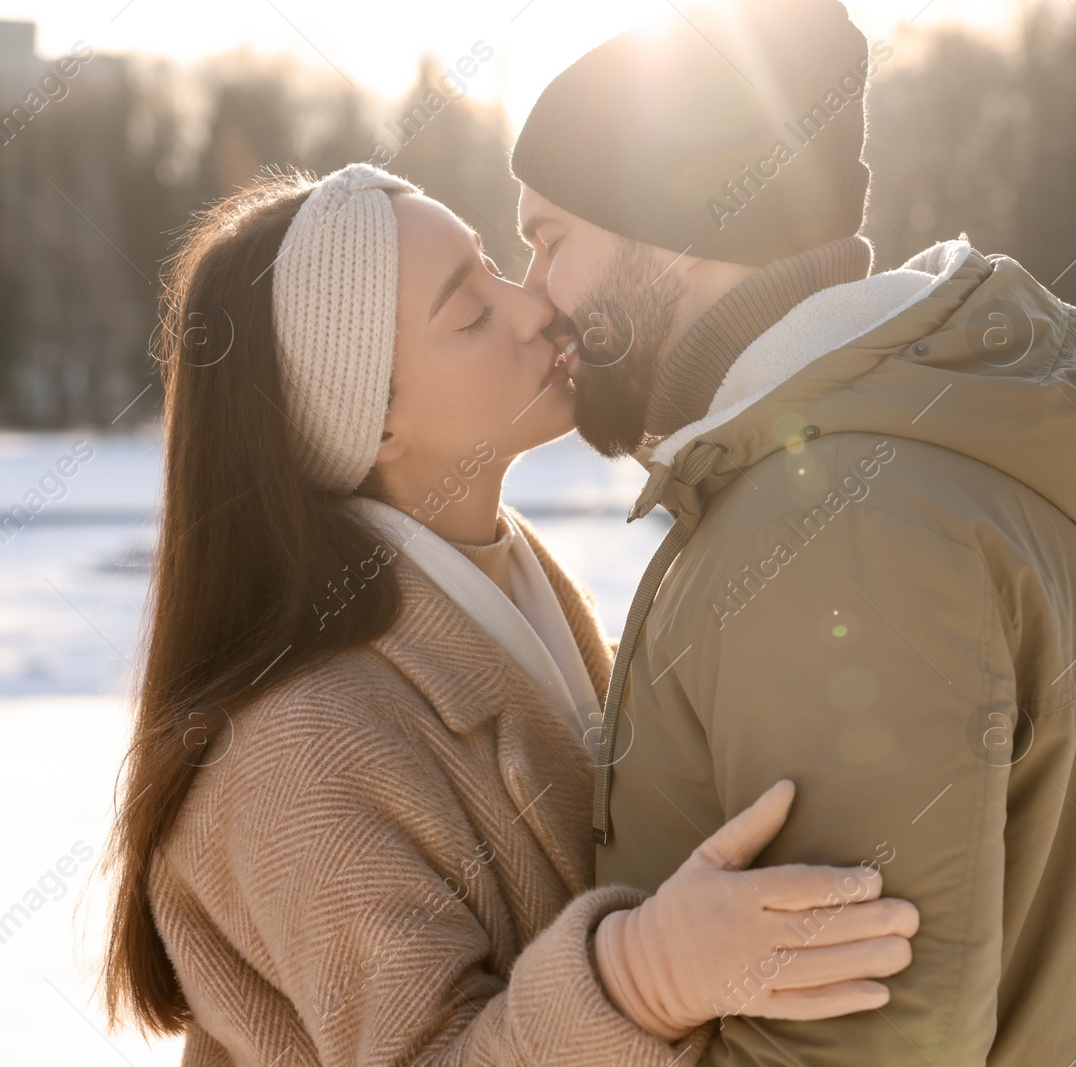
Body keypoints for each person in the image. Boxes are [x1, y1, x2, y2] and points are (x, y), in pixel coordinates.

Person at [101, 163, 920, 1066]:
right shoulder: (296, 750)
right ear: (369, 424)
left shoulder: (523, 592)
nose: (535, 305)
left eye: (495, 264)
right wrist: (641, 978)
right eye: (469, 311)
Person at [510, 0, 1076, 1062]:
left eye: (550, 240)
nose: (536, 297)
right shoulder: (860, 469)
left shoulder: (836, 521)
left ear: (673, 232)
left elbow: (854, 1043)